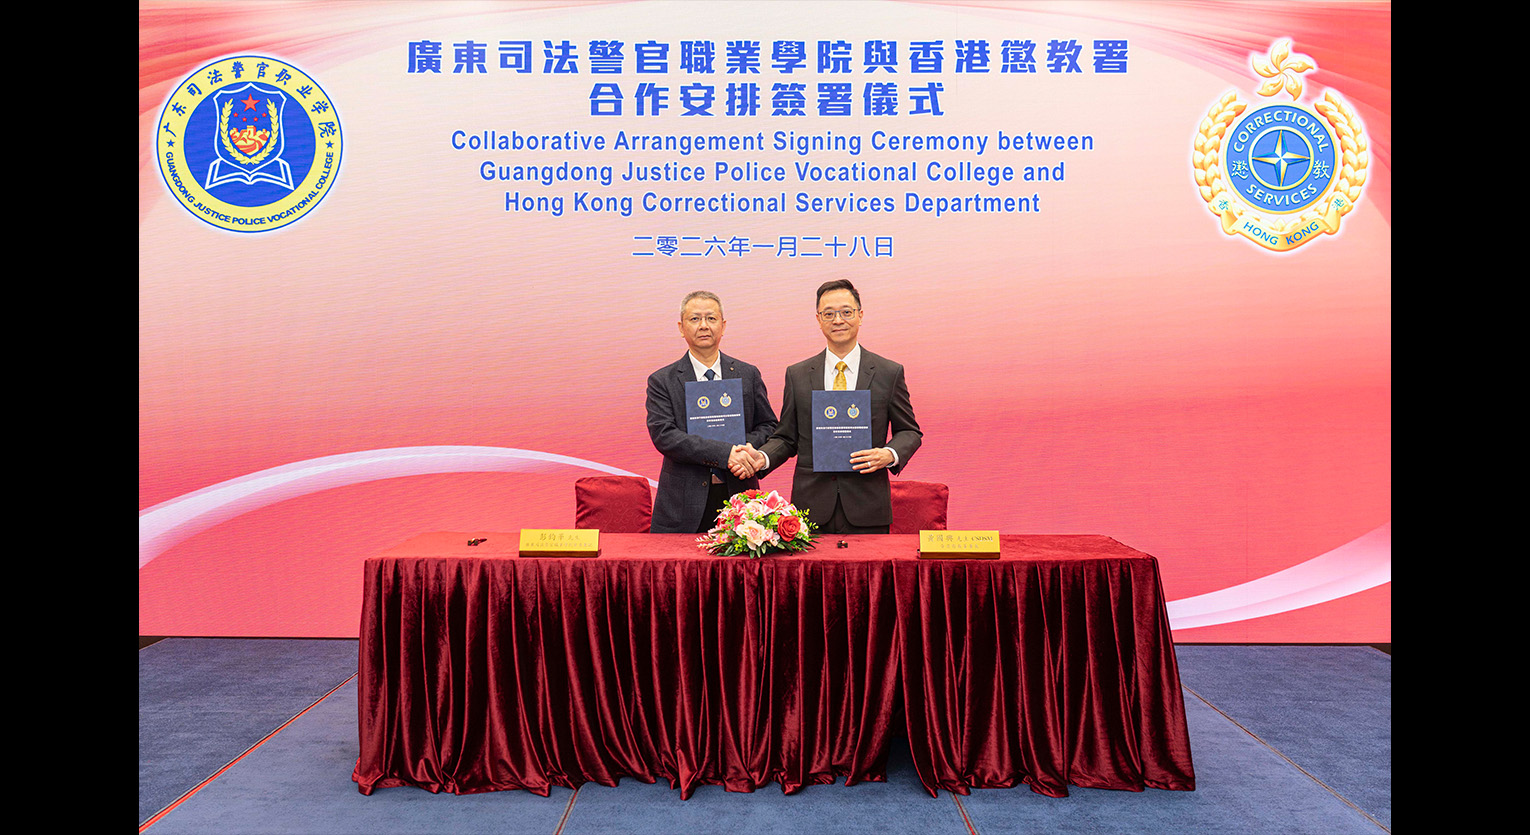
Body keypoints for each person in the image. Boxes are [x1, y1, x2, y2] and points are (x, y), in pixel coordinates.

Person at [751, 280, 921, 534]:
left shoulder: (888, 372)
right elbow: (786, 437)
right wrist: (762, 456)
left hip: (868, 505)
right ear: (818, 320)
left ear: (860, 315)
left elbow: (909, 431)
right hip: (811, 508)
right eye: (829, 314)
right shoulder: (798, 374)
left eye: (846, 312)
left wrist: (889, 454)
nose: (838, 320)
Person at [646, 290, 780, 533]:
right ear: (681, 327)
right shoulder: (662, 380)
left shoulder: (747, 374)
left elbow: (768, 426)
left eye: (711, 318)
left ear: (723, 325)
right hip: (682, 503)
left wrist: (744, 451)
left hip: (740, 495)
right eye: (694, 319)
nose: (703, 325)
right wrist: (725, 453)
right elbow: (665, 436)